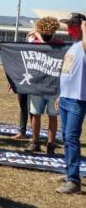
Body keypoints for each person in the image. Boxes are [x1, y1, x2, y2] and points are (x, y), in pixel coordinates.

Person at [55, 13, 86, 194]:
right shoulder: (74, 46)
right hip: (67, 97)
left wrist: (84, 26)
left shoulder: (83, 45)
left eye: (71, 25)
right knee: (66, 138)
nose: (68, 28)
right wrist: (61, 95)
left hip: (78, 99)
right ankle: (69, 172)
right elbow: (68, 73)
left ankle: (74, 181)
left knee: (72, 138)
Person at [25, 16, 63, 153]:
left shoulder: (59, 44)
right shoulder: (35, 43)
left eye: (49, 32)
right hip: (38, 85)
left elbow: (47, 48)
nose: (46, 35)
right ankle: (35, 142)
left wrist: (37, 35)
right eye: (44, 32)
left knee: (53, 116)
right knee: (36, 114)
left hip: (53, 86)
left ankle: (51, 144)